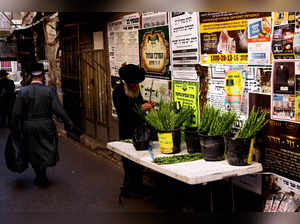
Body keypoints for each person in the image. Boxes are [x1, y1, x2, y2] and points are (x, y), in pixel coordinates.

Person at [11, 63, 73, 186]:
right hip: (46, 125)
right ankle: (42, 174)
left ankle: (38, 174)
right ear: (42, 76)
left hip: (28, 126)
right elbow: (58, 109)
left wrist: (14, 128)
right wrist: (68, 122)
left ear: (29, 76)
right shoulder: (49, 90)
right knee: (45, 149)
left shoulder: (23, 92)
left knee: (33, 150)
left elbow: (16, 114)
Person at [112, 64, 154, 199]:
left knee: (138, 162)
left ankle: (136, 186)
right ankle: (130, 189)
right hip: (126, 132)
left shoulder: (135, 89)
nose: (137, 86)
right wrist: (141, 108)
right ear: (127, 82)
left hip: (139, 132)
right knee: (129, 163)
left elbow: (139, 103)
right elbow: (123, 113)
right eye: (134, 83)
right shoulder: (118, 91)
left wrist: (147, 106)